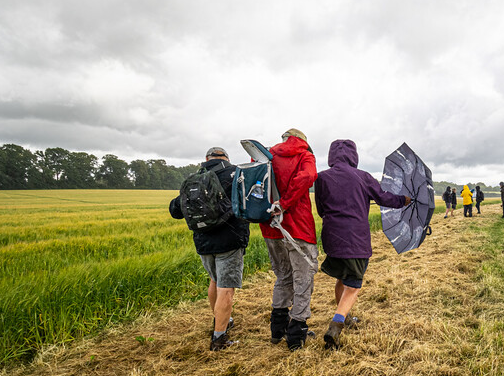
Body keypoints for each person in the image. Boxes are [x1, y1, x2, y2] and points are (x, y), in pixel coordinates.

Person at [314, 139, 411, 350]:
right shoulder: (363, 177)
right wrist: (402, 200)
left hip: (331, 236)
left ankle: (346, 317)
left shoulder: (321, 178)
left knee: (342, 276)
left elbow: (321, 209)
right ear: (353, 155)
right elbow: (383, 198)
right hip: (355, 238)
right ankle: (336, 325)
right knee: (354, 285)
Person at [169, 147, 250, 351]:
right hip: (230, 240)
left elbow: (175, 210)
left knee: (214, 281)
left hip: (203, 242)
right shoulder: (235, 175)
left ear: (206, 159)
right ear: (227, 158)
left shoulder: (195, 179)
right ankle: (219, 338)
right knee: (226, 288)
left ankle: (221, 321)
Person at [261, 128, 318, 351]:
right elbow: (307, 176)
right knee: (303, 279)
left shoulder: (267, 156)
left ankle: (277, 329)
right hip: (298, 228)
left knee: (283, 276)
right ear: (303, 141)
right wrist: (284, 204)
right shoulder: (305, 156)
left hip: (271, 229)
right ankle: (296, 333)